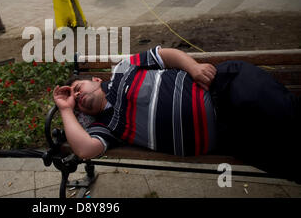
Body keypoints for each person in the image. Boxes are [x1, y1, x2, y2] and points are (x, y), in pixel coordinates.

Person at [53, 46, 301, 184]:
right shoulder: (108, 126)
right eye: (77, 105)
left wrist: (193, 67)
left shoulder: (123, 70)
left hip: (226, 90)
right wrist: (66, 108)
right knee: (288, 162)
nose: (79, 98)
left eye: (78, 89)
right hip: (230, 136)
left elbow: (164, 55)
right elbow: (85, 150)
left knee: (290, 120)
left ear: (96, 79)